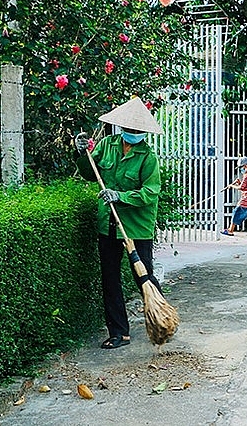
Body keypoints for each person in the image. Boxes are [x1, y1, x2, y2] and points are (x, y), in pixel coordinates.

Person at [74, 97, 164, 349]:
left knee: (143, 277)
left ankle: (162, 319)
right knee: (110, 278)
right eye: (129, 128)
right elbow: (90, 173)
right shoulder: (106, 145)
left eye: (137, 130)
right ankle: (118, 333)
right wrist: (82, 153)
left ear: (143, 132)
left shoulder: (148, 158)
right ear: (121, 126)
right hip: (109, 224)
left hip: (137, 226)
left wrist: (120, 196)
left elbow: (150, 192)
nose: (132, 133)